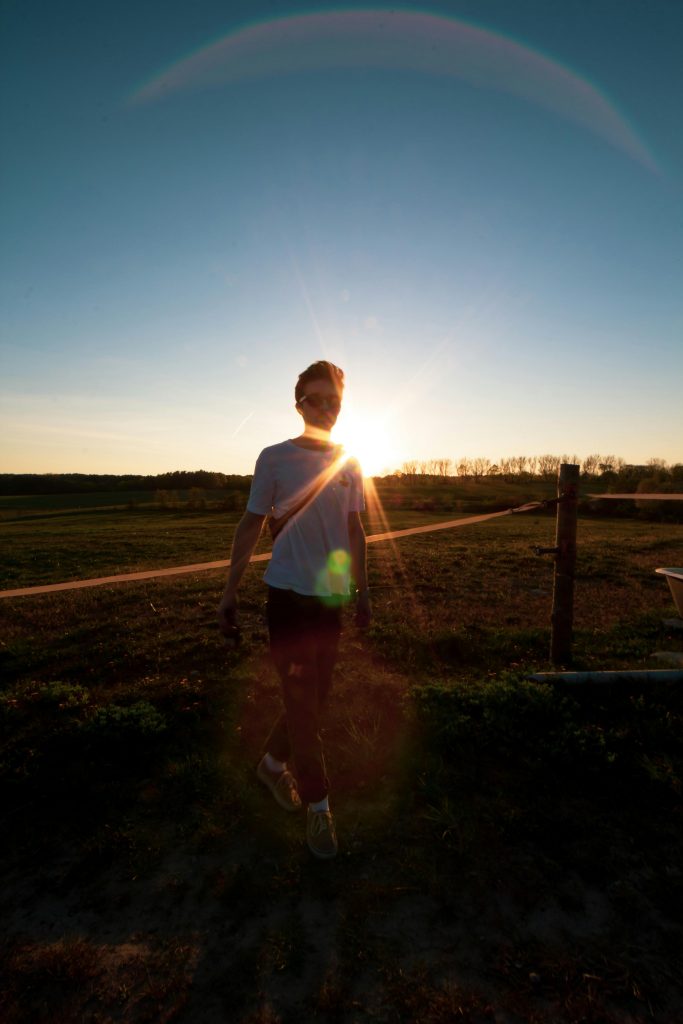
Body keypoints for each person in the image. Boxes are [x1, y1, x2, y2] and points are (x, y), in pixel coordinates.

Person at [217, 361, 371, 859]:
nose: (326, 409)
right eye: (316, 399)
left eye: (335, 402)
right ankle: (319, 807)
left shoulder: (349, 461)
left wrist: (363, 590)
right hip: (285, 600)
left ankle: (269, 766)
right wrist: (229, 590)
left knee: (314, 700)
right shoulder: (274, 458)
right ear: (298, 402)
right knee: (304, 706)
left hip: (330, 600)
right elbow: (251, 525)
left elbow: (355, 533)